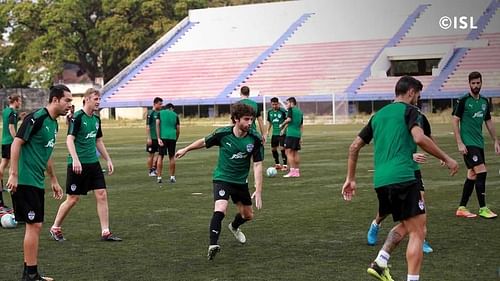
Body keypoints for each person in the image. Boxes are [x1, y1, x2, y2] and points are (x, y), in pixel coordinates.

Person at [341, 76, 458, 281]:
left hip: (381, 181)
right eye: (418, 95)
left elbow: (353, 147)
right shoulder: (411, 112)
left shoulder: (378, 116)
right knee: (418, 231)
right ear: (411, 92)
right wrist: (447, 158)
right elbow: (420, 138)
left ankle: (381, 261)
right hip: (403, 177)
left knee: (410, 224)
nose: (418, 100)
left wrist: (350, 178)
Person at [175, 103, 263, 261]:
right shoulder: (223, 134)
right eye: (246, 119)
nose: (250, 123)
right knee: (221, 208)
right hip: (222, 178)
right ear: (236, 119)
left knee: (248, 215)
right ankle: (213, 245)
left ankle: (234, 226)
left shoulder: (255, 139)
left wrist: (259, 188)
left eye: (251, 119)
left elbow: (257, 164)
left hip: (240, 182)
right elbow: (203, 141)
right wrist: (186, 149)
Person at [7, 84, 72, 281]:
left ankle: (30, 273)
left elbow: (47, 153)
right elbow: (17, 142)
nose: (70, 105)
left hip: (36, 180)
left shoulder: (54, 124)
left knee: (35, 225)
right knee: (33, 225)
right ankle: (31, 274)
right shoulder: (37, 117)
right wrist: (14, 174)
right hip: (25, 180)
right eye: (67, 100)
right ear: (55, 100)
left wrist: (53, 179)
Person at [49, 88, 122, 242]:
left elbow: (98, 141)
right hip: (77, 165)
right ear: (87, 99)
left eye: (99, 99)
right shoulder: (77, 117)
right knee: (73, 199)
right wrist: (75, 159)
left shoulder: (96, 120)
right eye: (95, 98)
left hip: (93, 164)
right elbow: (69, 139)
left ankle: (105, 232)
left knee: (101, 194)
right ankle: (55, 227)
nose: (98, 102)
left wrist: (108, 159)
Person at [367, 113, 434, 254]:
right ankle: (375, 224)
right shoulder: (394, 118)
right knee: (386, 209)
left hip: (412, 169)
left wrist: (439, 155)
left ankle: (420, 237)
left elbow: (427, 137)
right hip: (396, 167)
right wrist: (410, 155)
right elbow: (389, 147)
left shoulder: (420, 117)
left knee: (420, 203)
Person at [452, 71, 499, 219]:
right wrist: (459, 142)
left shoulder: (485, 101)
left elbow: (489, 122)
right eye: (473, 83)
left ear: (481, 83)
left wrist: (496, 140)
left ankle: (461, 208)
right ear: (469, 84)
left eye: (478, 83)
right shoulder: (463, 100)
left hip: (479, 143)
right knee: (481, 172)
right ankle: (483, 208)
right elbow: (455, 120)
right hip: (468, 143)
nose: (476, 86)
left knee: (472, 174)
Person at [0, 94, 22, 213]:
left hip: (4, 141)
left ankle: (5, 184)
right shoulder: (13, 112)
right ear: (16, 101)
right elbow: (11, 127)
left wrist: (19, 118)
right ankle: (11, 185)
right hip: (10, 142)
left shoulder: (6, 111)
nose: (21, 103)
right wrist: (16, 140)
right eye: (20, 101)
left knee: (3, 164)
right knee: (13, 164)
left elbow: (9, 121)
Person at [156, 103, 180, 184]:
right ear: (171, 108)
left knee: (160, 156)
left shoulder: (160, 113)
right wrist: (175, 138)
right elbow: (178, 129)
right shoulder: (175, 115)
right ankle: (172, 177)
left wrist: (158, 137)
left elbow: (157, 124)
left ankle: (159, 177)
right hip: (172, 137)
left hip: (163, 136)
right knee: (172, 157)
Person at [280, 97, 303, 177]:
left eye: (287, 103)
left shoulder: (290, 110)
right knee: (295, 152)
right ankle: (297, 171)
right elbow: (301, 125)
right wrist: (301, 136)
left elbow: (289, 119)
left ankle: (292, 171)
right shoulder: (300, 111)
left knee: (288, 152)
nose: (286, 105)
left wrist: (282, 125)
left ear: (291, 103)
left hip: (291, 134)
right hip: (297, 134)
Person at [266, 97, 287, 170]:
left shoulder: (283, 111)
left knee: (282, 148)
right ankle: (277, 164)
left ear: (278, 103)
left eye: (276, 104)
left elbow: (287, 121)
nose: (274, 106)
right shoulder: (269, 112)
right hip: (274, 133)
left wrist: (283, 130)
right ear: (271, 104)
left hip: (282, 133)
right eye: (273, 104)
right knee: (273, 149)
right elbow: (269, 122)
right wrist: (267, 131)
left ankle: (285, 165)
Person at [146, 97, 163, 177]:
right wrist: (149, 137)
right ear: (155, 104)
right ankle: (150, 171)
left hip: (159, 137)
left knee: (160, 153)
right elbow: (148, 126)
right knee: (151, 154)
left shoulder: (160, 113)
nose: (161, 106)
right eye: (160, 104)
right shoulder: (150, 113)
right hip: (152, 137)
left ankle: (154, 168)